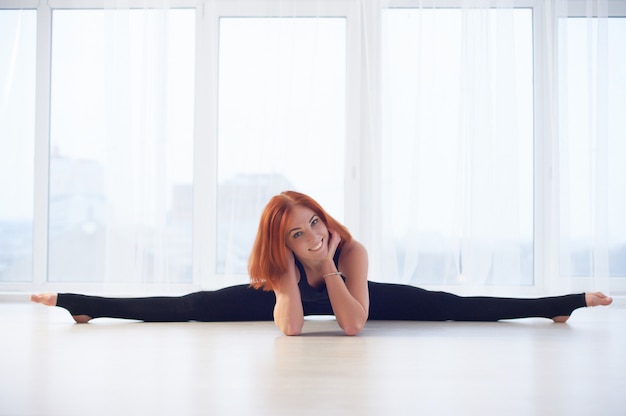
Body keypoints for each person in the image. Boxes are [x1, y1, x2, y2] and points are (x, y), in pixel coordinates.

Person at [31, 190, 613, 336]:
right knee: (191, 309)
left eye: (315, 220)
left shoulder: (349, 247)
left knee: (450, 307)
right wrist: (288, 273)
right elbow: (290, 328)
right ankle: (83, 306)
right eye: (298, 231)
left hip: (352, 290)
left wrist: (330, 264)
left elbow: (353, 323)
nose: (313, 232)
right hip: (284, 291)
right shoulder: (279, 262)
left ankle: (559, 305)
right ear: (280, 239)